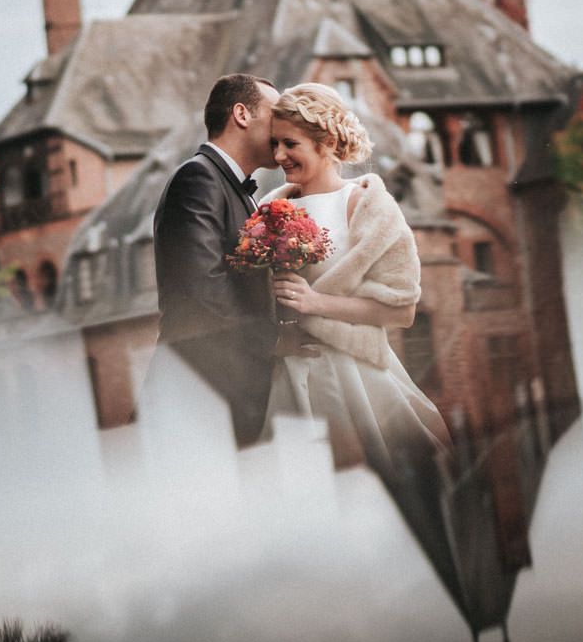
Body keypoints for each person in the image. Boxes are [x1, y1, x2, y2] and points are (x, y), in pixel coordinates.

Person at [264, 83, 451, 474]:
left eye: (290, 144)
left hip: (353, 376)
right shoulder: (267, 209)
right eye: (274, 143)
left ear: (327, 141)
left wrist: (316, 304)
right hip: (284, 377)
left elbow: (402, 311)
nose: (279, 155)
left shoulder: (368, 206)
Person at [152, 73, 282, 448]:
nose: (283, 125)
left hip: (227, 391)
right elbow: (202, 291)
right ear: (242, 114)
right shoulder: (198, 178)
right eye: (275, 114)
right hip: (202, 392)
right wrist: (275, 343)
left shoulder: (238, 190)